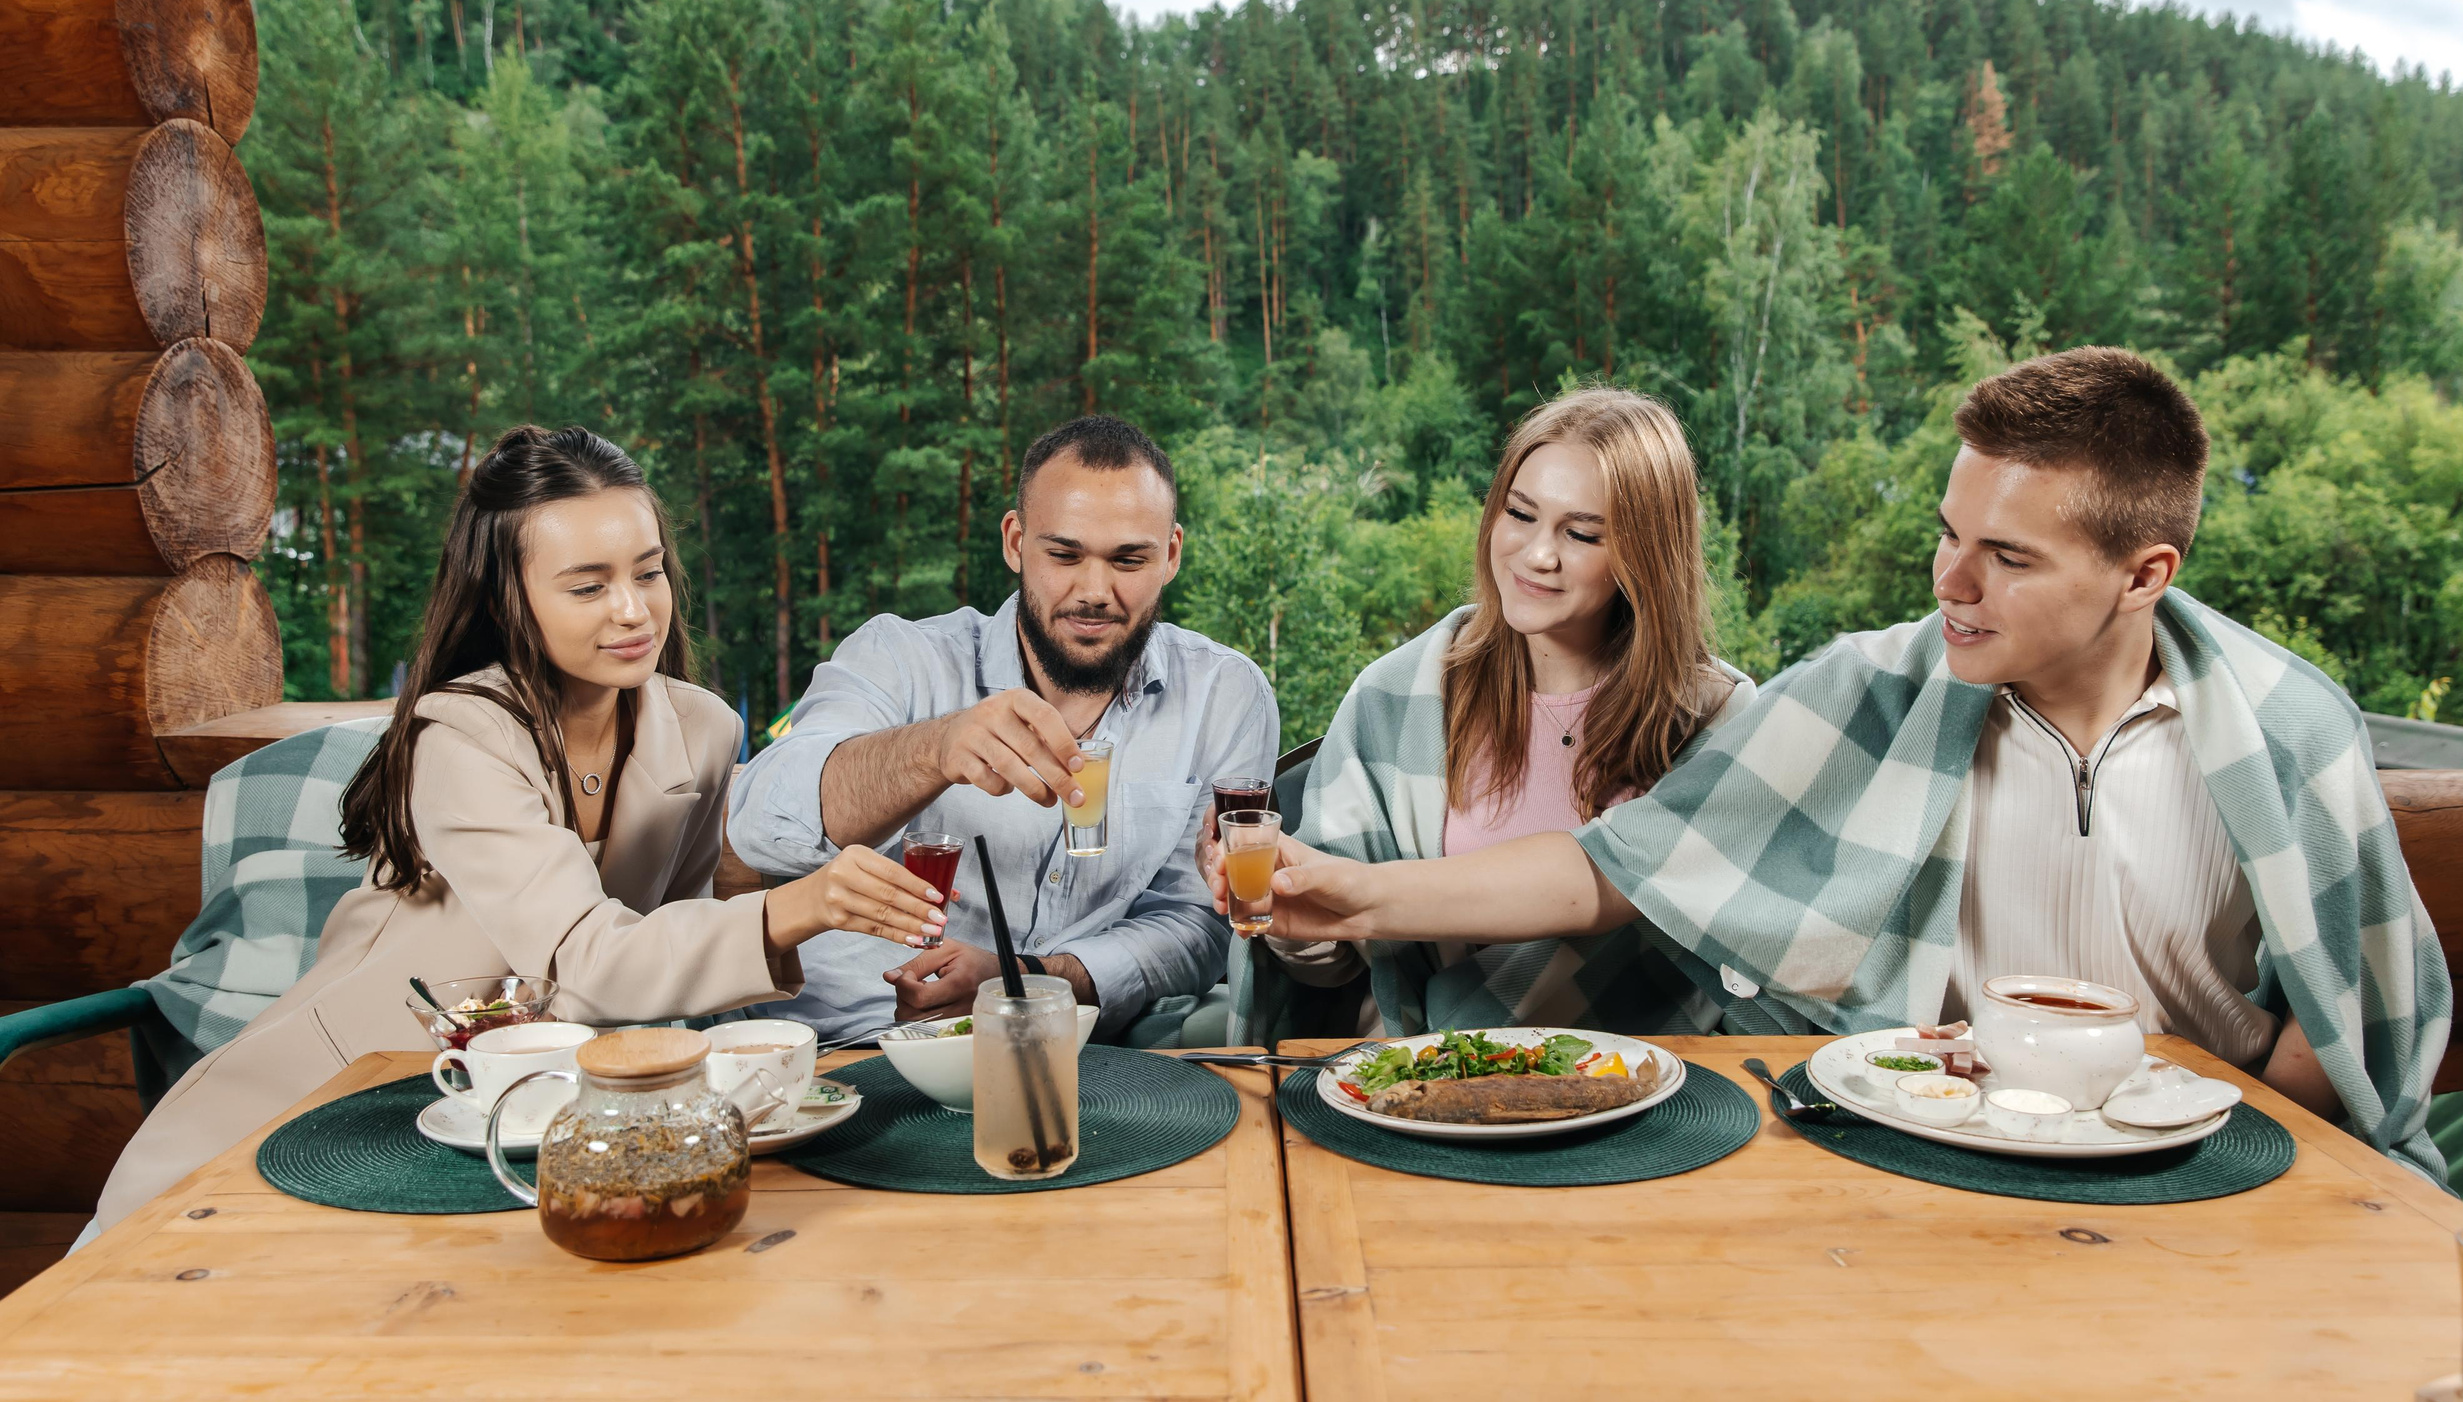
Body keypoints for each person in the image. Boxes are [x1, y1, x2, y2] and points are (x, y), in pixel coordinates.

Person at [1247, 349, 2451, 1175]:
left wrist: (2211, 1166)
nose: (1949, 584)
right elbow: (1619, 869)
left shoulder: (2288, 730)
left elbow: (2340, 1024)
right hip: (1938, 1152)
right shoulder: (1867, 695)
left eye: (2007, 559)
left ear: (2143, 576)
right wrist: (1355, 894)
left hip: (2195, 1159)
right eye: (1946, 535)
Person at [92, 426, 936, 1232]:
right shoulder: (461, 733)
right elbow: (589, 962)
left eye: (648, 572)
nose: (634, 609)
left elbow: (666, 949)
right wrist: (803, 905)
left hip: (531, 1111)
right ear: (508, 598)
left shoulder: (704, 728)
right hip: (344, 1090)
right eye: (588, 586)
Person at [1221, 387, 1755, 1044]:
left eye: (1581, 533)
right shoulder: (1397, 694)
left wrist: (1361, 897)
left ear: (1647, 552)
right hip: (1417, 1072)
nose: (1536, 555)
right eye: (1520, 514)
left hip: (1643, 1075)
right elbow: (1332, 971)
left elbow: (1732, 950)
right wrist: (1289, 915)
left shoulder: (1718, 720)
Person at [727, 415, 1278, 1045]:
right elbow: (759, 826)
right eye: (1064, 555)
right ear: (1015, 542)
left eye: (1128, 559)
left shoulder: (1224, 695)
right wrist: (933, 749)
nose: (1094, 591)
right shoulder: (900, 657)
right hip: (852, 1045)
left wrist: (1030, 979)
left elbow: (1195, 922)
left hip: (1068, 1055)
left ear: (1171, 555)